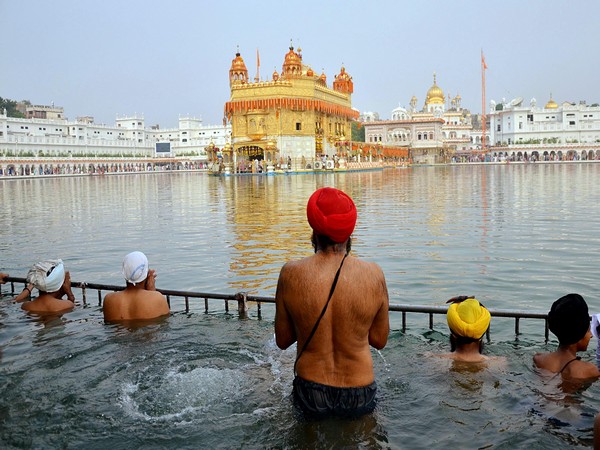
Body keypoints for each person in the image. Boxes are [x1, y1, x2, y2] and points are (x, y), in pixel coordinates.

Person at [275, 187, 389, 418]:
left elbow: (283, 340)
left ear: (314, 230)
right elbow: (379, 340)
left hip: (311, 388)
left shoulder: (290, 274)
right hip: (360, 388)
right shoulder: (374, 274)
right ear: (350, 232)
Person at [533, 293, 600, 380]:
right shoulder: (590, 371)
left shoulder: (538, 359)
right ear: (580, 333)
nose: (591, 335)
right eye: (588, 330)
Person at [103, 251, 170, 322]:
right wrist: (152, 293)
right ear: (146, 273)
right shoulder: (157, 298)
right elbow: (164, 323)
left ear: (124, 272)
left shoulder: (109, 300)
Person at [441, 296, 492, 362]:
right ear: (482, 332)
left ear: (453, 333)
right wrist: (478, 304)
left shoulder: (433, 359)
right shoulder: (498, 363)